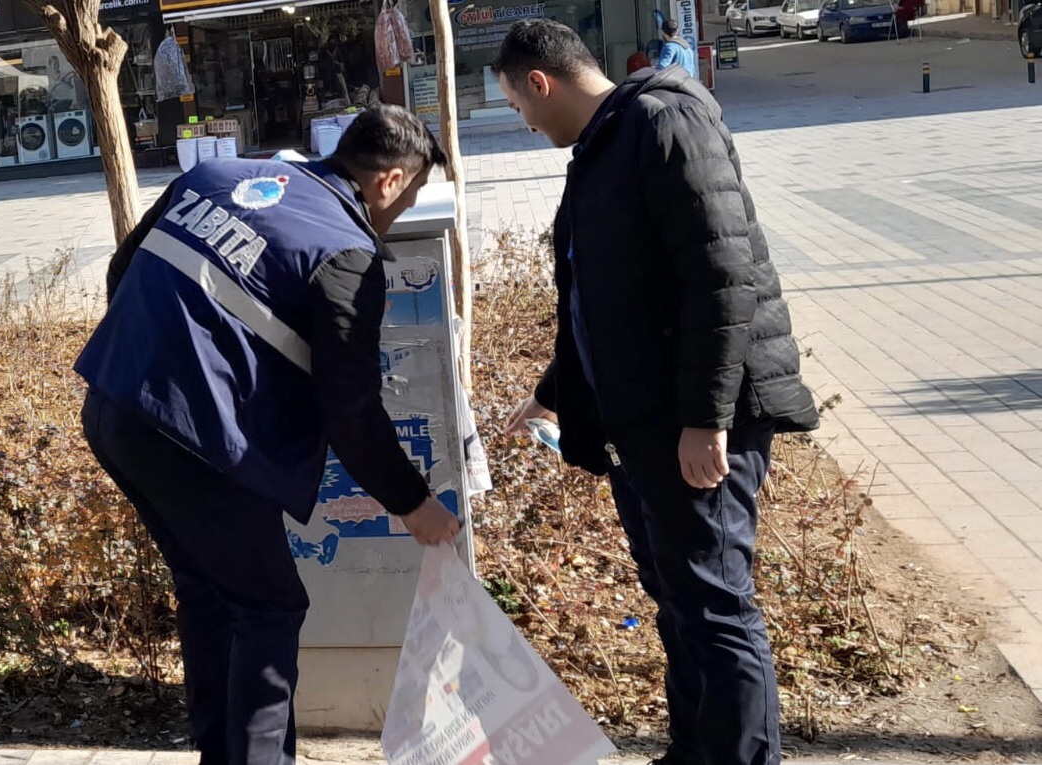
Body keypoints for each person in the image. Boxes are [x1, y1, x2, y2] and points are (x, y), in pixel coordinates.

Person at [74, 105, 459, 765]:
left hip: (115, 409)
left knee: (211, 591)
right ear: (391, 180)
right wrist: (412, 502)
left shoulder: (217, 176)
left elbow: (123, 268)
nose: (400, 212)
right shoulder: (345, 253)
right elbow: (351, 410)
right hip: (196, 445)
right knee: (268, 607)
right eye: (411, 194)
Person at [491, 19, 819, 765]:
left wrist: (705, 419)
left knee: (713, 603)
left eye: (517, 105)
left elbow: (720, 276)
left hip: (692, 422)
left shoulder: (664, 121)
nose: (524, 121)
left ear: (540, 82)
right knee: (678, 599)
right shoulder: (606, 143)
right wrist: (553, 392)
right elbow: (603, 295)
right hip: (641, 424)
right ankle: (693, 750)